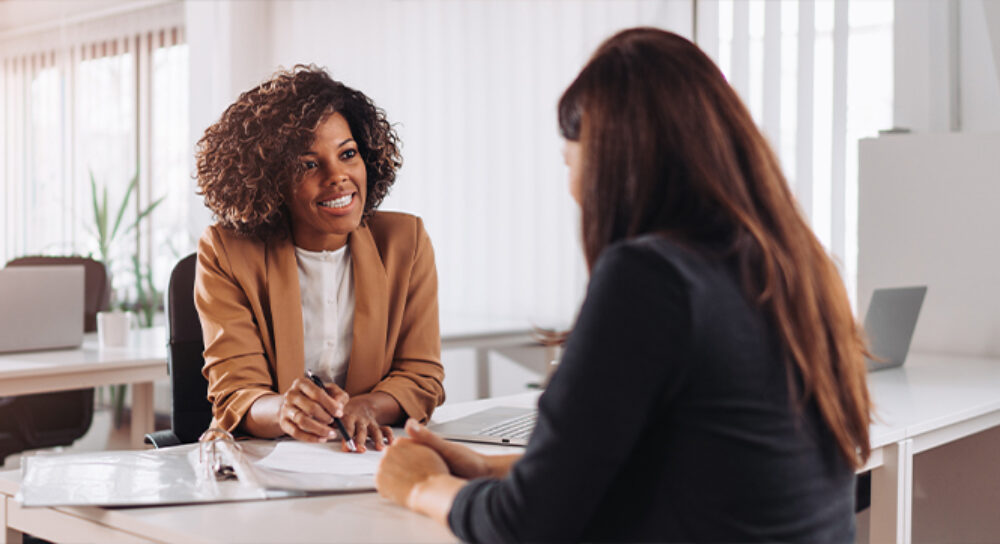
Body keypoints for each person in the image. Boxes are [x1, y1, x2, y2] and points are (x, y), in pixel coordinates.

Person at [375, 27, 872, 541]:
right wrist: (488, 470)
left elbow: (526, 527)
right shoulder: (803, 269)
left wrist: (422, 486)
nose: (572, 192)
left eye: (570, 162)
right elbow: (687, 465)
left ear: (613, 162)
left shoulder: (651, 278)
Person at [194, 66, 445, 452]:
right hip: (262, 463)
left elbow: (421, 376)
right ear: (271, 180)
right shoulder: (226, 251)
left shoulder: (404, 242)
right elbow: (236, 392)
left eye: (348, 154)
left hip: (365, 458)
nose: (338, 176)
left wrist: (366, 408)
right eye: (309, 164)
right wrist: (284, 411)